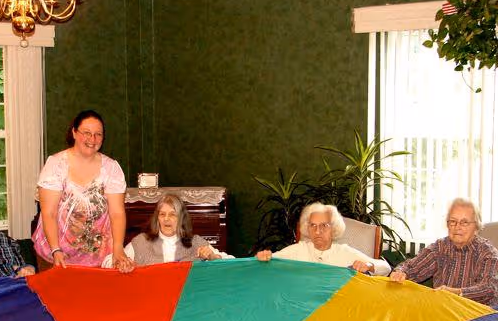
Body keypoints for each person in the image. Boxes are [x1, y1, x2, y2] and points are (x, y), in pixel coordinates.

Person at [32, 110, 132, 272]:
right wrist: (55, 250)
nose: (92, 139)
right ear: (74, 132)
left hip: (98, 258)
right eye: (86, 133)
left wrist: (118, 247)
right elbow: (49, 212)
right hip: (56, 254)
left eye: (98, 134)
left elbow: (117, 213)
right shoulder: (56, 165)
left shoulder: (111, 168)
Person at [389, 198, 498, 306]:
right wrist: (401, 273)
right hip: (443, 312)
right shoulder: (440, 247)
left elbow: (489, 288)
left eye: (464, 222)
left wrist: (456, 293)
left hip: (476, 317)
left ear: (476, 226)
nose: (457, 227)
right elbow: (412, 267)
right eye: (453, 222)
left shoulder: (488, 253)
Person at [102, 193, 233, 271]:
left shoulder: (196, 242)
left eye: (172, 215)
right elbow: (107, 262)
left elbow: (231, 263)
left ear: (181, 218)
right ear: (157, 217)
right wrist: (121, 263)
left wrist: (212, 257)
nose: (166, 219)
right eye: (162, 214)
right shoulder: (141, 242)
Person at [256, 202, 391, 276]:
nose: (317, 231)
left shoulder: (344, 252)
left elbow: (386, 268)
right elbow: (270, 261)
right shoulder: (299, 250)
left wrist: (369, 266)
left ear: (333, 229)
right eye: (312, 225)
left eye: (324, 226)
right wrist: (265, 257)